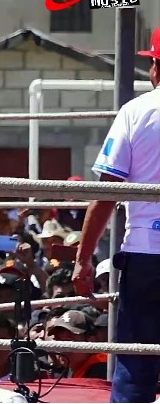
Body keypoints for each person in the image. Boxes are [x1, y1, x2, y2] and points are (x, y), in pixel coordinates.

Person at [72, 26, 160, 403]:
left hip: (145, 253)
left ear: (156, 67)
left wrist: (83, 259)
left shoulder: (137, 111)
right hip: (143, 252)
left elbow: (106, 192)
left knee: (136, 364)